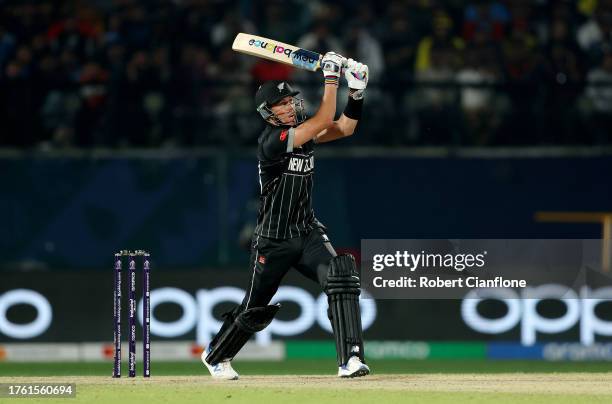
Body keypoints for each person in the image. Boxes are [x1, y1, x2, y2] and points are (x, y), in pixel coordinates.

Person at [201, 52, 370, 379]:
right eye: (283, 103)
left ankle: (350, 359)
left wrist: (358, 93)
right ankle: (216, 354)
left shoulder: (306, 133)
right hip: (273, 239)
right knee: (254, 306)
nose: (291, 104)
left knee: (341, 276)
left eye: (291, 98)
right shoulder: (272, 141)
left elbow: (345, 128)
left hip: (307, 232)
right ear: (269, 113)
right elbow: (322, 121)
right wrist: (332, 78)